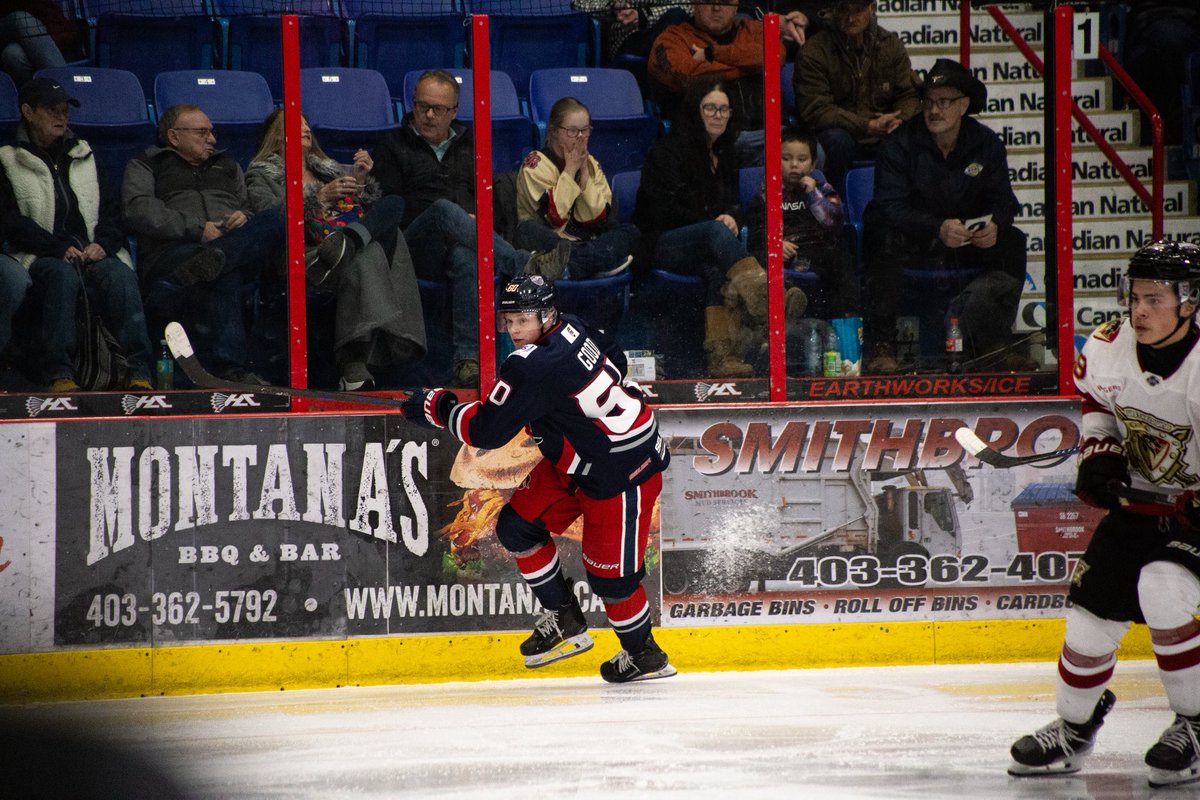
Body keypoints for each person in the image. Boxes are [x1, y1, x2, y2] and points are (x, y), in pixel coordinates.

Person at [402, 275, 675, 683]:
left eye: (522, 320)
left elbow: (486, 431)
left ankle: (645, 656)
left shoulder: (531, 364)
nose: (513, 331)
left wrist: (436, 406)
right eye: (507, 321)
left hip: (620, 472)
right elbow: (615, 359)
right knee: (517, 527)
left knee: (612, 581)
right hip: (579, 460)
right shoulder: (576, 326)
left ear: (547, 316)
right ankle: (565, 619)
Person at [1008, 240, 1200, 789]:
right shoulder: (1109, 346)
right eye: (1134, 297)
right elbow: (1099, 408)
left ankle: (1196, 723)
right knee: (1088, 620)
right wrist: (1100, 454)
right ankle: (1073, 728)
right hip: (1143, 503)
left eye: (1154, 300)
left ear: (1188, 304)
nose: (1138, 311)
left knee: (1163, 588)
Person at [372, 70, 572, 388]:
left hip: (462, 241)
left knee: (468, 257)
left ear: (453, 112)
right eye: (422, 105)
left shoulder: (470, 144)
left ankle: (467, 361)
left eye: (438, 109)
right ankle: (523, 263)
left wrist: (472, 220)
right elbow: (390, 208)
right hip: (412, 245)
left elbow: (485, 199)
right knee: (442, 210)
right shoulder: (391, 146)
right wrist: (455, 216)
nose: (428, 114)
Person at [862, 58, 1028, 374]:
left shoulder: (986, 142)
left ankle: (994, 343)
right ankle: (883, 345)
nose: (934, 110)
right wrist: (936, 228)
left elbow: (1005, 201)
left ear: (964, 105)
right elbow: (889, 206)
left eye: (944, 102)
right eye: (928, 101)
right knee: (879, 234)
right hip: (916, 242)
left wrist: (994, 225)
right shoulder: (899, 144)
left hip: (967, 242)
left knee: (1012, 241)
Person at [633, 76, 805, 378]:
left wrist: (731, 217)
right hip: (660, 244)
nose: (718, 115)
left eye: (724, 110)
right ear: (695, 111)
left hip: (707, 246)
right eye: (710, 108)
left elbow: (733, 204)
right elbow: (662, 212)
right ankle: (769, 298)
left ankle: (722, 357)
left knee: (719, 268)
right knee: (715, 235)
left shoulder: (723, 154)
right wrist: (713, 224)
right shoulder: (668, 151)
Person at [245, 109, 425, 391]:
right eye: (296, 125)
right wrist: (318, 197)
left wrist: (362, 182)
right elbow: (270, 219)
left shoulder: (329, 169)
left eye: (307, 124)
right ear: (275, 136)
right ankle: (359, 360)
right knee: (369, 251)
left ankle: (348, 242)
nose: (306, 128)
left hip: (343, 247)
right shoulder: (261, 176)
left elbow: (361, 211)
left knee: (393, 206)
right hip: (309, 257)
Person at [0, 77, 153, 392]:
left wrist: (104, 244)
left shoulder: (85, 154)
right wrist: (57, 247)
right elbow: (9, 221)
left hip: (92, 250)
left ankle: (140, 371)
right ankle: (60, 372)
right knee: (62, 278)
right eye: (52, 110)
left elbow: (113, 212)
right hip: (39, 254)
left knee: (120, 277)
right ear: (28, 112)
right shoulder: (7, 158)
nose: (61, 117)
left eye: (64, 110)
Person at [122, 103, 286, 386]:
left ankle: (217, 258)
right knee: (224, 271)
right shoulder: (147, 163)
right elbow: (139, 209)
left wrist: (243, 217)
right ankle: (231, 369)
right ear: (174, 136)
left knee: (276, 219)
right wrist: (199, 230)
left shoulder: (229, 166)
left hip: (228, 245)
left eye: (212, 132)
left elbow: (248, 207)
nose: (212, 139)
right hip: (174, 254)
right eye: (202, 132)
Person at [793, 0, 920, 192]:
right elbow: (816, 109)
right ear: (833, 10)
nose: (851, 18)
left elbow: (909, 94)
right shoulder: (814, 51)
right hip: (841, 133)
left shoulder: (890, 45)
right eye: (844, 9)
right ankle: (833, 206)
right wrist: (865, 125)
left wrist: (899, 120)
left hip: (885, 130)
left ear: (872, 8)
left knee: (914, 135)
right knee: (836, 141)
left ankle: (906, 206)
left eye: (859, 10)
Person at [647, 0, 788, 163]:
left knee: (806, 151)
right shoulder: (672, 38)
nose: (716, 8)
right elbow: (684, 76)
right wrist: (748, 65)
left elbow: (776, 56)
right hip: (708, 139)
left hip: (764, 131)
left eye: (725, 2)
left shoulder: (754, 30)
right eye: (709, 1)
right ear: (694, 4)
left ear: (736, 7)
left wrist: (711, 54)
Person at [515, 97, 640, 280]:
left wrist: (583, 175)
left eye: (585, 130)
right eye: (572, 131)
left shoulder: (589, 163)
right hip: (548, 240)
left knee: (631, 232)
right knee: (528, 229)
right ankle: (594, 263)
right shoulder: (535, 164)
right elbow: (553, 219)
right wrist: (570, 170)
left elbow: (598, 217)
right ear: (554, 131)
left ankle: (576, 266)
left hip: (584, 241)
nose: (580, 137)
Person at [746, 126, 859, 317]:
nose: (794, 165)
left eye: (802, 159)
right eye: (786, 158)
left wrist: (813, 195)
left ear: (813, 164)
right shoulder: (766, 195)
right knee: (756, 258)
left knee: (840, 255)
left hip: (816, 252)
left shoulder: (822, 189)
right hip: (780, 253)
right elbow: (755, 233)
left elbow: (834, 223)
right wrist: (775, 244)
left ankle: (846, 321)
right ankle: (785, 302)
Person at [0, 2, 78, 87]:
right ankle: (68, 86)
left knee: (13, 54)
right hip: (9, 22)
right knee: (21, 19)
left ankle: (40, 97)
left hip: (37, 27)